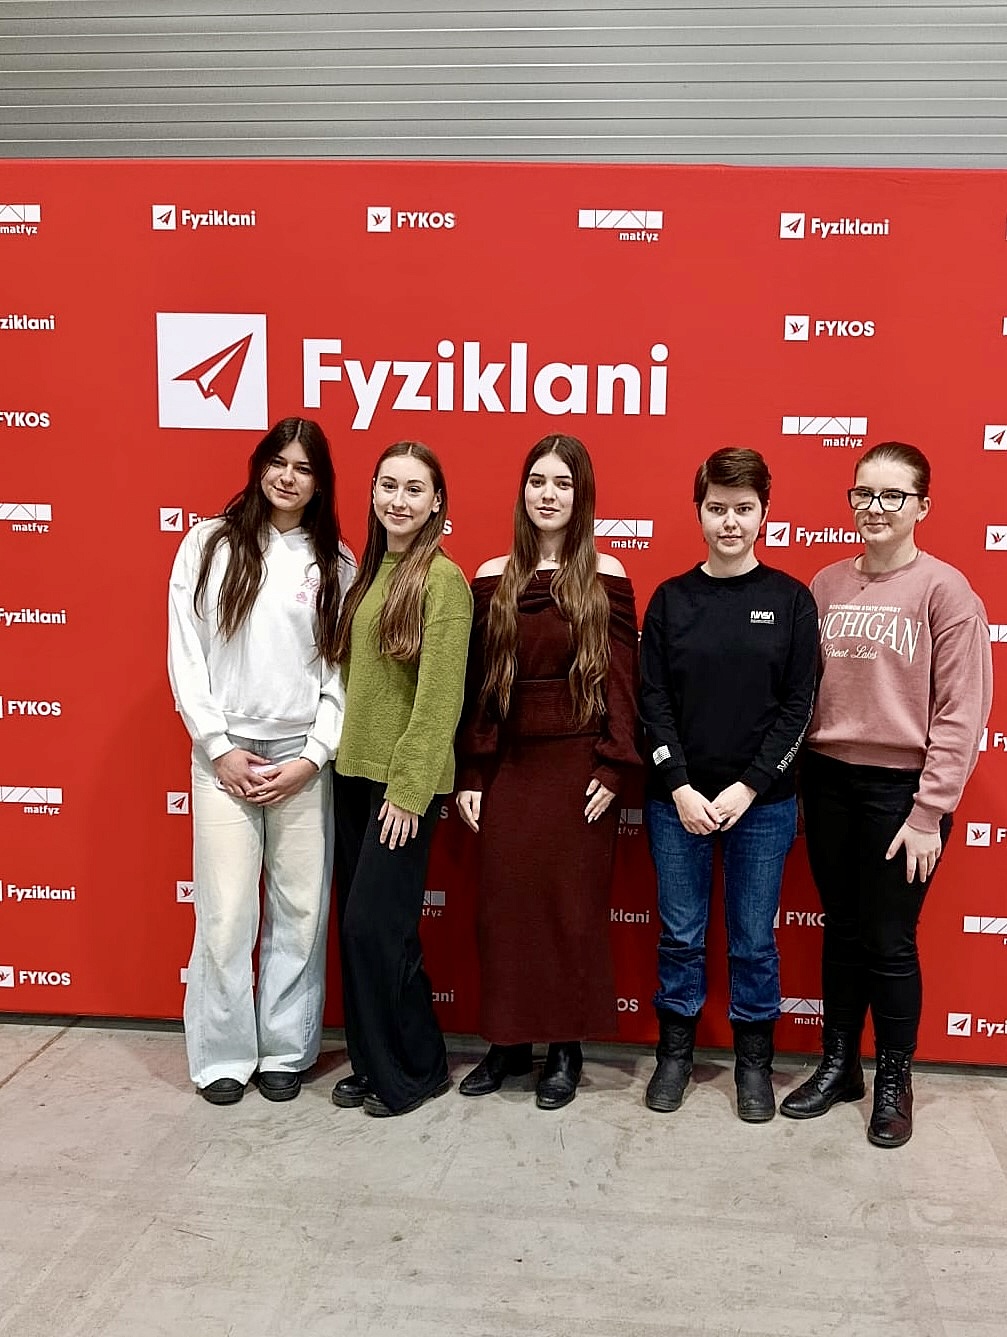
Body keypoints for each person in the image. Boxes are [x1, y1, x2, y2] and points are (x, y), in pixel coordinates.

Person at [780, 441, 992, 1146]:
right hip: (827, 779)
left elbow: (961, 711)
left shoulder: (945, 591)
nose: (874, 507)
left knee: (889, 939)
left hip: (901, 792)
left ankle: (894, 1079)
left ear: (921, 506)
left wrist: (929, 811)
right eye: (863, 493)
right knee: (841, 929)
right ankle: (839, 1065)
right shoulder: (825, 584)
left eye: (892, 495)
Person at [168, 416, 352, 1105]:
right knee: (224, 913)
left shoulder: (336, 561)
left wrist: (314, 755)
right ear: (258, 466)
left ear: (319, 482)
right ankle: (222, 1057)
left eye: (303, 468)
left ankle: (284, 1049)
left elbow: (340, 673)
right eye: (278, 462)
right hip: (225, 759)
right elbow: (186, 652)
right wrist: (217, 747)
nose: (288, 477)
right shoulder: (208, 544)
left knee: (299, 913)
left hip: (302, 759)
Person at [455, 433, 639, 1111]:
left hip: (578, 768)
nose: (548, 494)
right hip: (510, 765)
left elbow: (623, 681)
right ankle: (506, 1044)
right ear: (522, 491)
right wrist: (472, 772)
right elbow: (478, 686)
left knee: (570, 913)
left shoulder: (608, 573)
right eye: (537, 480)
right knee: (503, 912)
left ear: (580, 494)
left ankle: (564, 1048)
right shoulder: (490, 573)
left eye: (562, 483)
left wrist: (614, 767)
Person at [639, 447, 818, 1122]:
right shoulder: (670, 600)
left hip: (762, 807)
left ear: (764, 512)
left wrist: (749, 786)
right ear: (699, 512)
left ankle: (753, 1064)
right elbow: (652, 701)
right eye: (717, 508)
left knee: (753, 941)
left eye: (743, 508)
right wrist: (679, 786)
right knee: (680, 936)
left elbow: (798, 707)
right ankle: (675, 1054)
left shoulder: (791, 600)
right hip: (676, 804)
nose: (730, 522)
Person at [329, 441, 472, 1118]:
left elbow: (440, 698)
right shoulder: (368, 574)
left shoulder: (444, 581)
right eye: (388, 485)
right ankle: (377, 1063)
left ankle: (414, 1071)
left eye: (414, 489)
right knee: (370, 932)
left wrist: (410, 790)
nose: (399, 499)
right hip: (352, 776)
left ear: (437, 501)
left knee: (374, 930)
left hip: (400, 787)